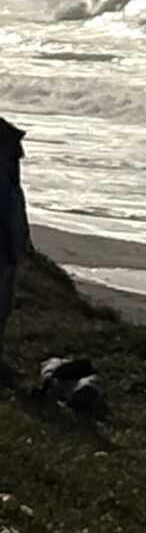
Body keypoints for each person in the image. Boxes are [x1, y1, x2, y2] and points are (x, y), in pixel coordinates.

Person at [0, 116, 28, 379]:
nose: (21, 153)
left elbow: (16, 209)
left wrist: (23, 242)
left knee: (4, 307)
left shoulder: (9, 174)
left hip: (9, 247)